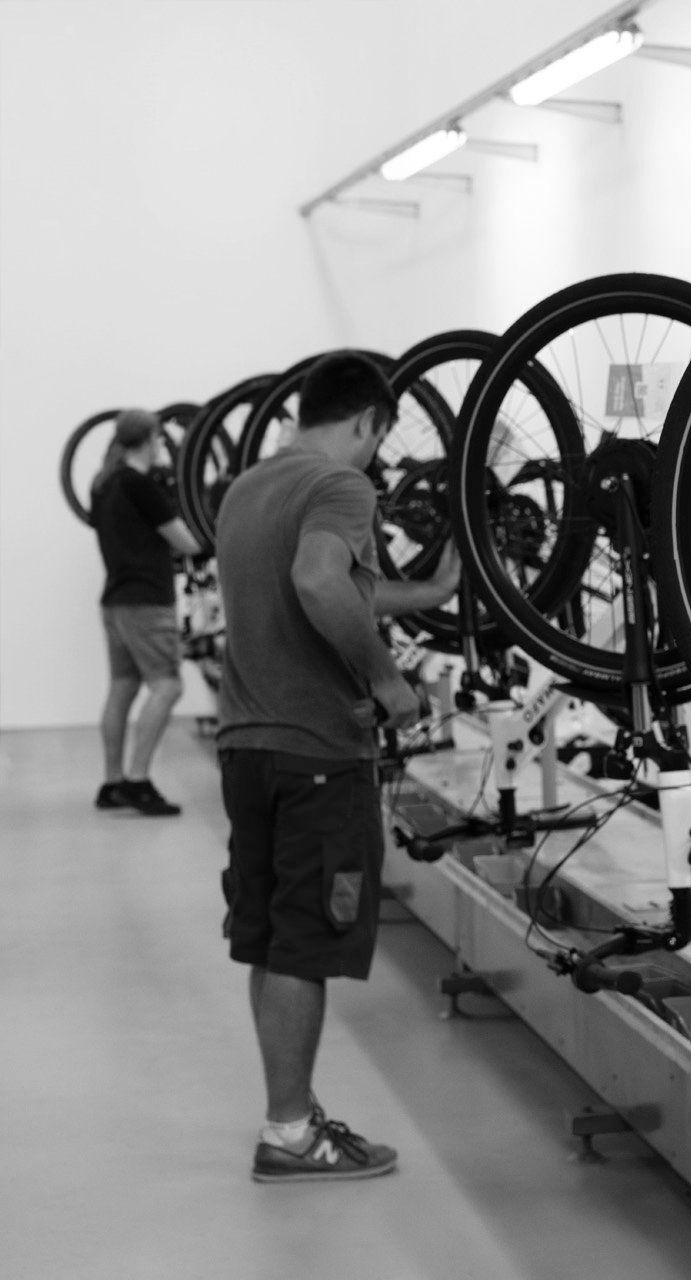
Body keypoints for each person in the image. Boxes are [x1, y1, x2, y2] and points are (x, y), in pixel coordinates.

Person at [214, 351, 460, 1183]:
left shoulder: (250, 486)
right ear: (369, 422)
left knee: (274, 940)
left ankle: (291, 1113)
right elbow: (320, 580)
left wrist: (422, 594)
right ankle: (289, 1135)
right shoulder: (340, 485)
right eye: (378, 441)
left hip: (247, 744)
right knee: (304, 945)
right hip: (319, 752)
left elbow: (316, 586)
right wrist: (387, 682)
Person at [92, 408, 201, 816]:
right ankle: (138, 780)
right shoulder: (140, 486)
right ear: (151, 439)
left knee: (123, 685)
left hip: (115, 599)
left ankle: (112, 782)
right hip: (147, 601)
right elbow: (186, 542)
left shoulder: (103, 484)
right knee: (168, 685)